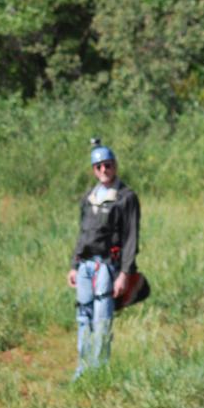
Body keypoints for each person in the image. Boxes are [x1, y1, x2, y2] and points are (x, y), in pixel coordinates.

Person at [67, 140, 140, 380]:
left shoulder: (126, 197)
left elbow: (131, 237)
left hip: (107, 267)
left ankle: (100, 372)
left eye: (107, 165)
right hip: (85, 266)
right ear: (93, 170)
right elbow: (83, 233)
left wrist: (125, 273)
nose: (104, 170)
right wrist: (74, 265)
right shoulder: (89, 197)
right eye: (98, 166)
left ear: (115, 165)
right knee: (83, 317)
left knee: (102, 319)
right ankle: (83, 369)